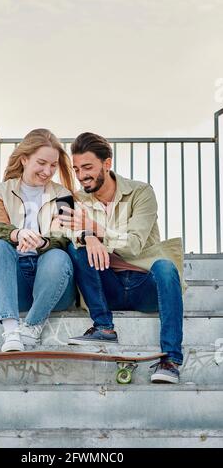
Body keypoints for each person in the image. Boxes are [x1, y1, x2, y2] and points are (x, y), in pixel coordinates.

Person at [58, 132, 187, 384]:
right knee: (77, 248)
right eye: (76, 169)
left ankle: (170, 360)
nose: (81, 175)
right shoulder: (73, 199)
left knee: (166, 267)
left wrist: (95, 228)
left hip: (145, 284)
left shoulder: (141, 192)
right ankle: (104, 327)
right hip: (108, 286)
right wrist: (88, 235)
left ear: (107, 164)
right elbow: (62, 232)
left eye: (88, 167)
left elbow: (135, 244)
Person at [0, 128, 76, 352]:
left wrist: (42, 243)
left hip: (54, 285)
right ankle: (12, 331)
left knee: (58, 255)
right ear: (24, 159)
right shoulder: (0, 191)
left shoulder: (63, 195)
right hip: (13, 285)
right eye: (41, 163)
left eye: (53, 165)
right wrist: (18, 234)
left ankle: (32, 326)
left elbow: (63, 236)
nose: (48, 171)